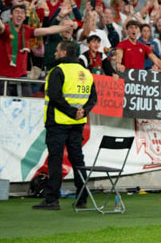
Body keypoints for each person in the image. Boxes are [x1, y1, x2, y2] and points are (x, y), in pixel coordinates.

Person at [32, 41, 98, 210]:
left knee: (55, 160)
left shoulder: (58, 71)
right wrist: (82, 111)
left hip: (58, 123)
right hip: (77, 124)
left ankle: (52, 199)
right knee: (78, 160)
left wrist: (70, 112)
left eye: (57, 50)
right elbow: (93, 99)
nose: (54, 53)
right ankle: (82, 198)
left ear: (63, 53)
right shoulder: (86, 72)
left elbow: (54, 96)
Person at [0, 5, 77, 96]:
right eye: (17, 12)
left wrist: (68, 27)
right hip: (3, 77)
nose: (19, 15)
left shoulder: (27, 30)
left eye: (22, 13)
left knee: (26, 105)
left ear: (25, 17)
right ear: (11, 15)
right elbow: (0, 26)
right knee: (1, 107)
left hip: (21, 76)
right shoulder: (5, 29)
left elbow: (48, 30)